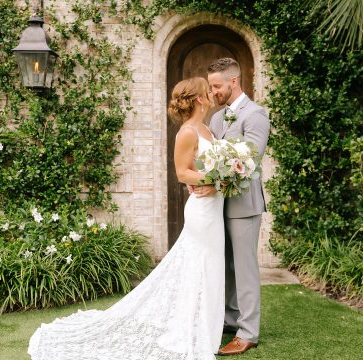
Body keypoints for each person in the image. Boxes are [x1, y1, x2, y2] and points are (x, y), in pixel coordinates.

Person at [28, 77, 225, 360]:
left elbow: (204, 169)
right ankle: (190, 329)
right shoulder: (188, 132)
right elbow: (183, 173)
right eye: (207, 91)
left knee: (211, 266)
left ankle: (205, 327)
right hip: (202, 211)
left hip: (213, 207)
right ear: (199, 99)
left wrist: (222, 180)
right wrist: (216, 177)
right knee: (199, 265)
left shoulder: (207, 128)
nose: (210, 94)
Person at [198, 57, 270, 356]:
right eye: (212, 87)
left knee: (244, 268)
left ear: (233, 82)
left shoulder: (256, 115)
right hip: (218, 204)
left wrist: (214, 175)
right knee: (223, 265)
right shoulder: (216, 118)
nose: (213, 92)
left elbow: (251, 160)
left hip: (244, 204)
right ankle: (229, 320)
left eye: (217, 86)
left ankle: (248, 332)